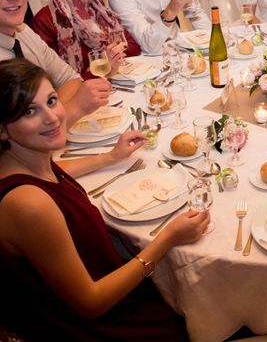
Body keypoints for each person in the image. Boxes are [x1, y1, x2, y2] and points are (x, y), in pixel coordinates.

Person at [0, 58, 209, 340]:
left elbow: (58, 172)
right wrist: (167, 239)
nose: (51, 117)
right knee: (197, 311)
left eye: (51, 100)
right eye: (29, 111)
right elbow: (91, 302)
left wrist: (111, 157)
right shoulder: (28, 204)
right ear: (2, 129)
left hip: (105, 290)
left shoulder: (26, 163)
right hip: (95, 325)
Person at [0, 0, 110, 125]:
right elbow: (17, 136)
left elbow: (70, 78)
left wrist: (51, 117)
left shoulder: (24, 32)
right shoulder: (46, 19)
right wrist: (72, 110)